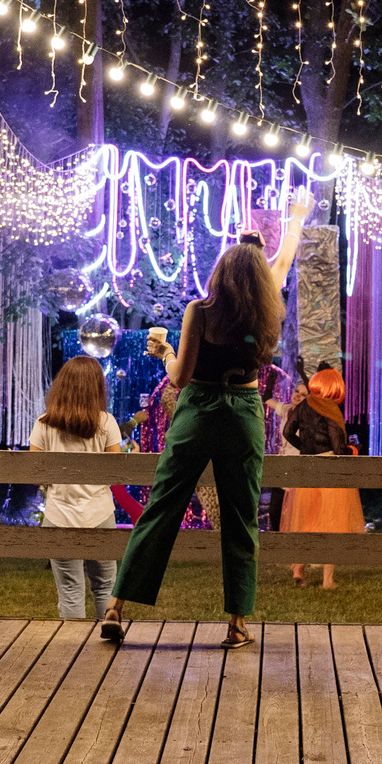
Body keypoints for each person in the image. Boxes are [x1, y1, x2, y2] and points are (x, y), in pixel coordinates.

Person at [102, 238, 285, 649]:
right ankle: (237, 625)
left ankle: (115, 607)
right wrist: (287, 228)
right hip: (243, 412)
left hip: (199, 409)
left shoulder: (199, 311)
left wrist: (166, 352)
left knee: (162, 506)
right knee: (241, 517)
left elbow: (180, 377)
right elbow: (285, 260)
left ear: (220, 273)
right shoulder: (266, 315)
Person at [32, 355, 124, 620]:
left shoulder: (44, 423)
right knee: (104, 585)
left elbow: (33, 469)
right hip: (100, 513)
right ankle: (107, 631)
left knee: (70, 591)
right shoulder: (106, 422)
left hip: (59, 515)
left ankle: (73, 642)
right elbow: (116, 470)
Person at [280, 367, 361, 587]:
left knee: (306, 519)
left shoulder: (304, 405)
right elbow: (339, 449)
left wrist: (305, 448)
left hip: (307, 468)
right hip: (328, 470)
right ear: (334, 388)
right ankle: (328, 580)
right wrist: (354, 449)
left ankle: (299, 570)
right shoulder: (330, 409)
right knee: (332, 522)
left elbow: (287, 432)